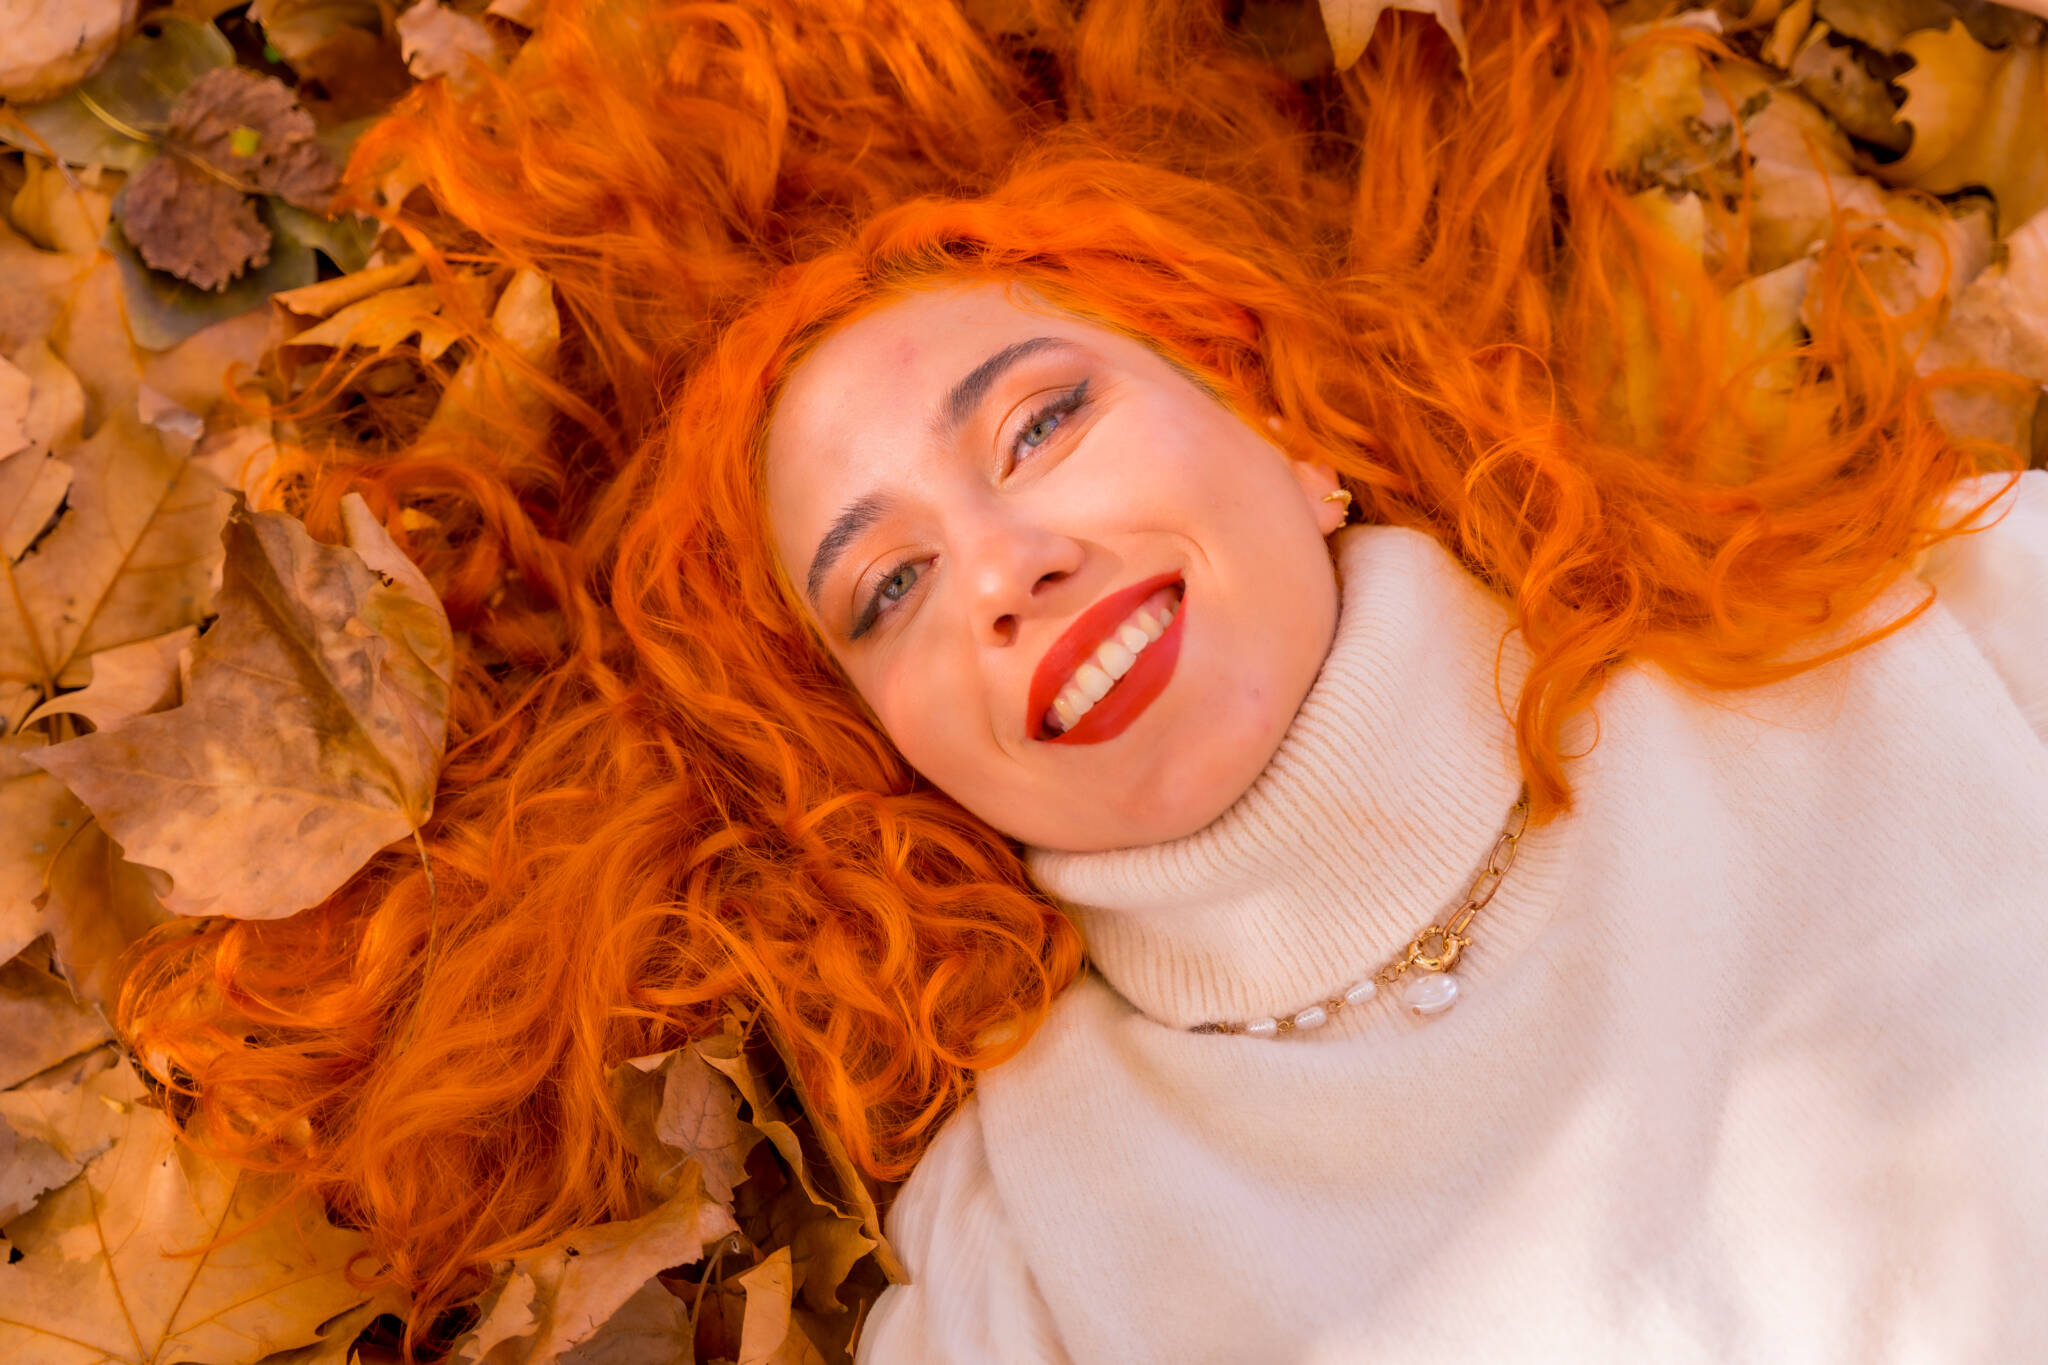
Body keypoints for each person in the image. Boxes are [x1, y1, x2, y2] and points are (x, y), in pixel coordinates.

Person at [122, 0, 2048, 1358]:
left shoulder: (1914, 621)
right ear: (884, 756)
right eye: (882, 589)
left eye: (1039, 424)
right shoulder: (1028, 1247)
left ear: (1292, 421)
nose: (1004, 566)